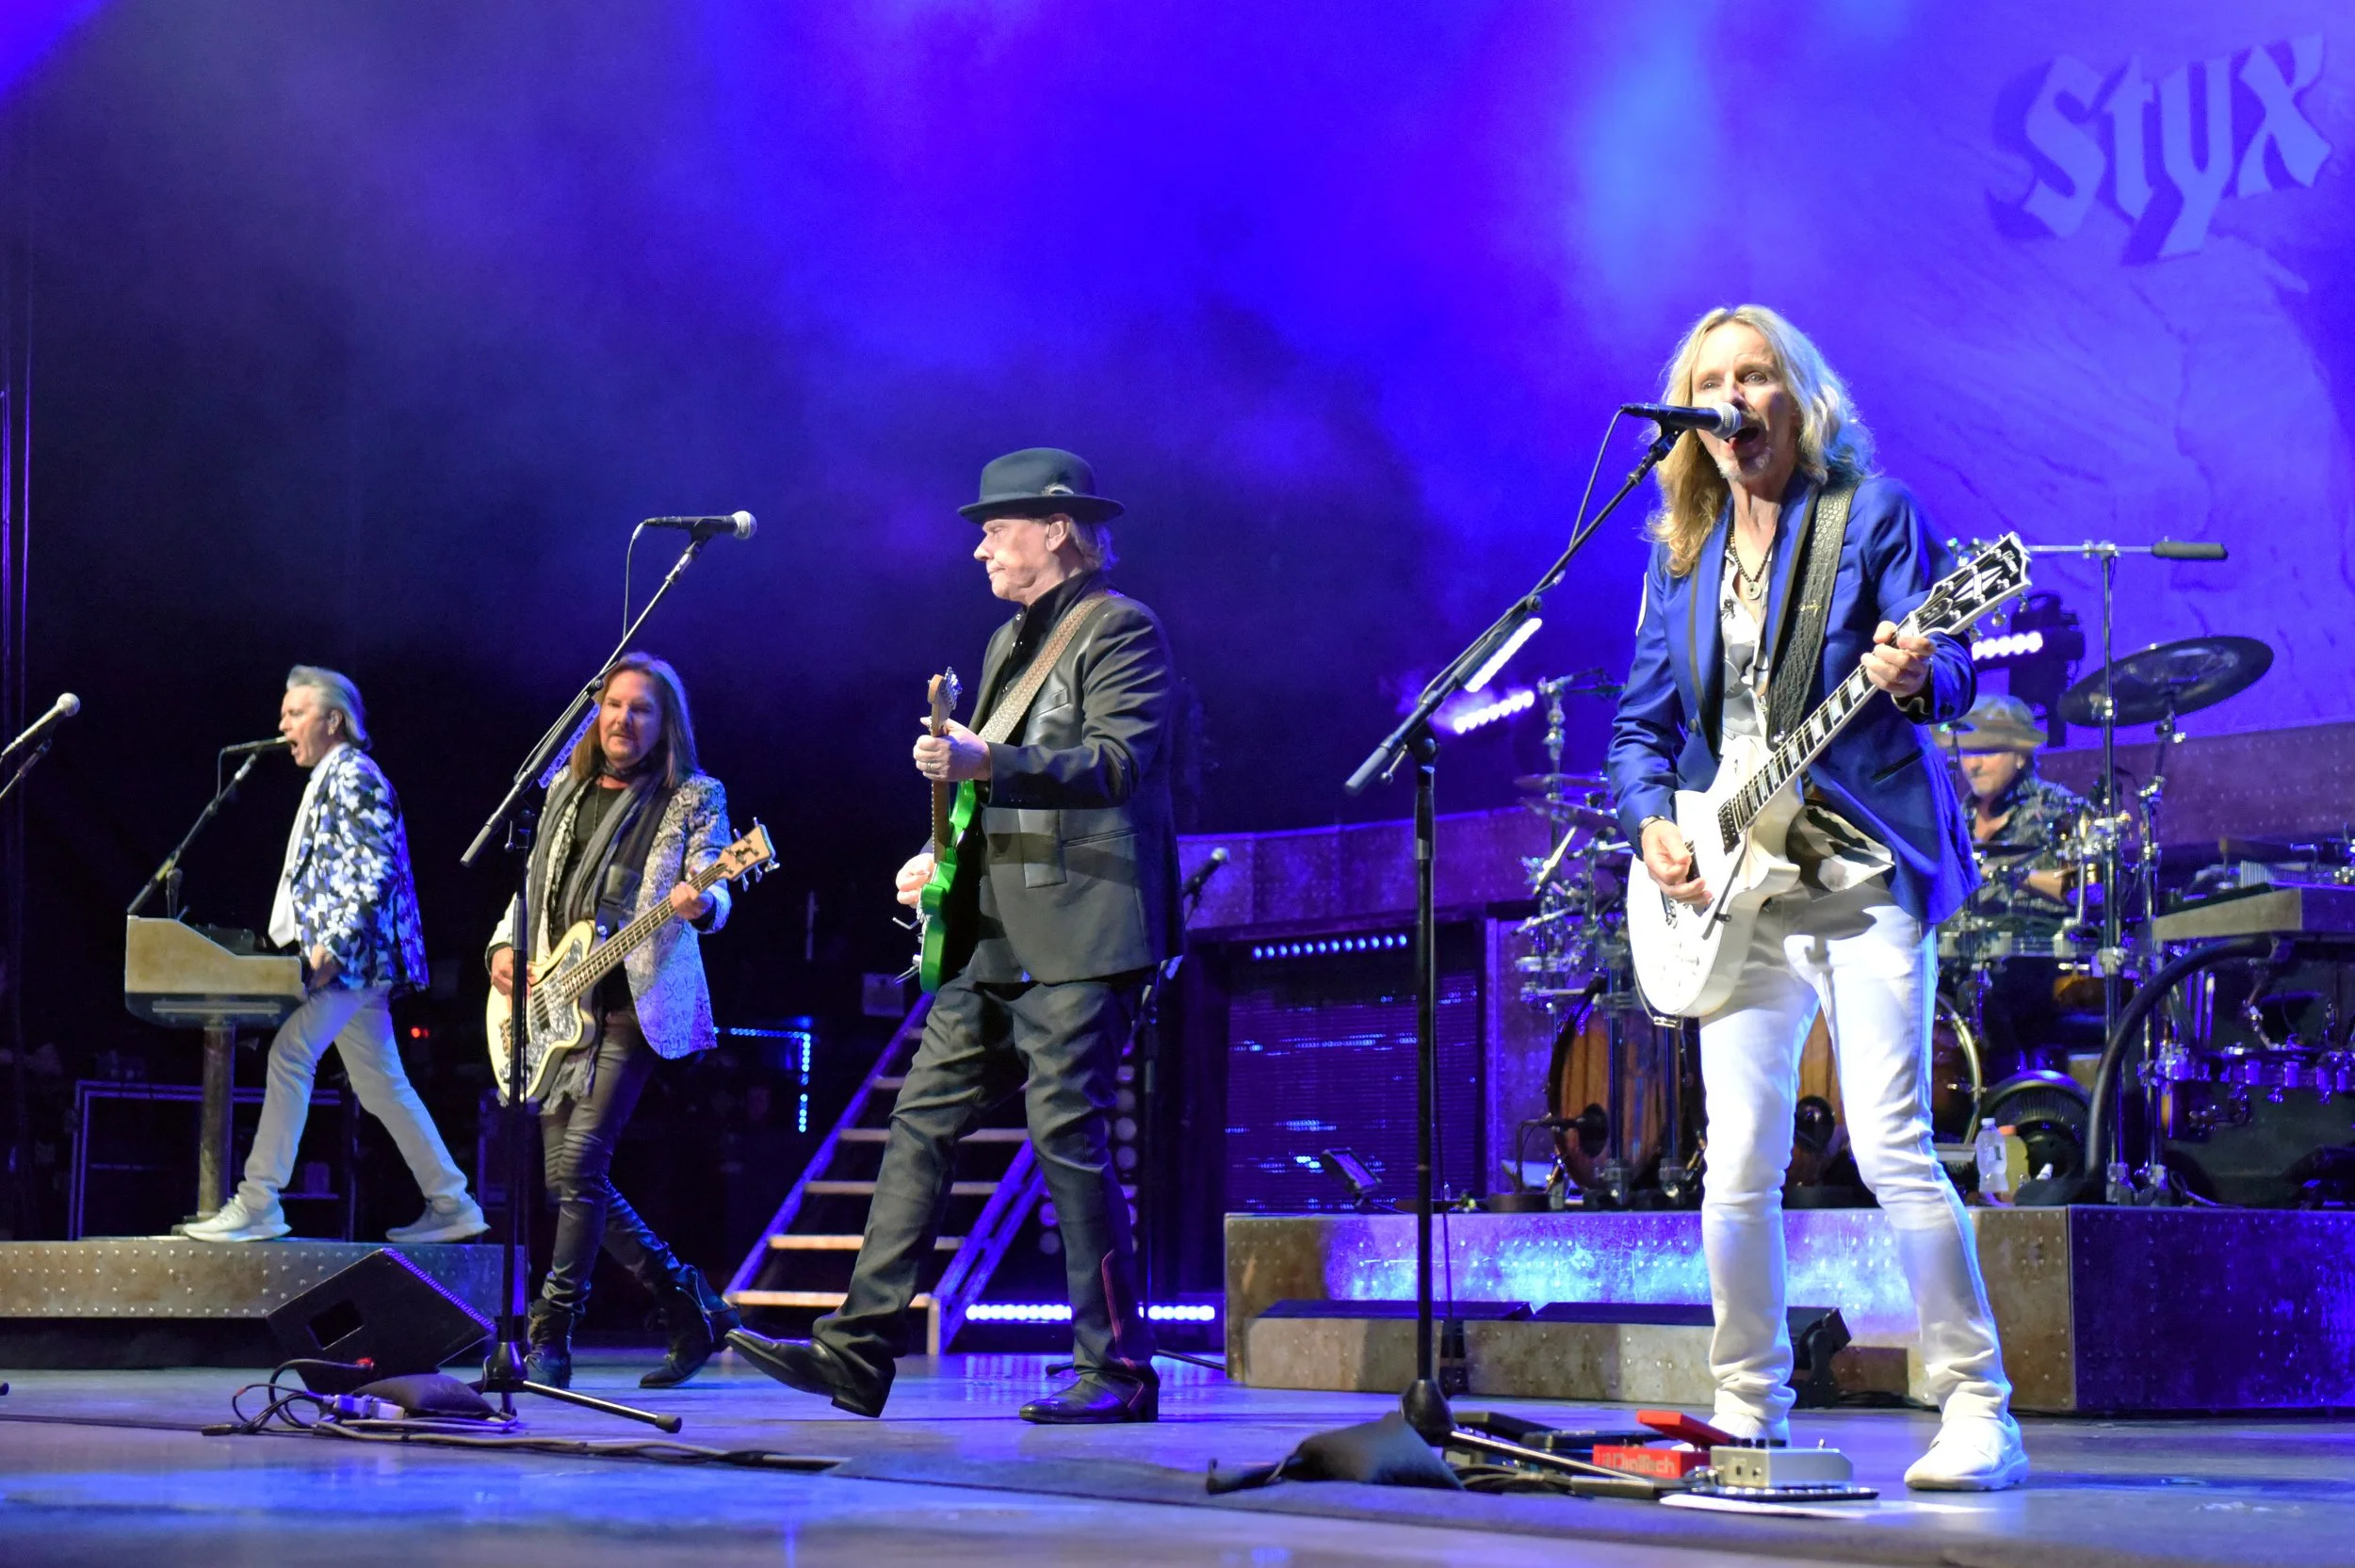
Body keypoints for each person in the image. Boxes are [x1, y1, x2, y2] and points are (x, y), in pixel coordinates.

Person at [1606, 306, 2027, 1491]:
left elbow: (1952, 671)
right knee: (1735, 1163)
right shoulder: (1680, 556)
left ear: (1799, 398)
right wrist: (1652, 825)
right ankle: (1746, 1410)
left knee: (1890, 1143)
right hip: (1732, 881)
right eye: (1713, 381)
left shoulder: (1871, 515)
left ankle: (1978, 1409)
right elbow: (1640, 730)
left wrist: (1915, 673)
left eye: (1756, 376)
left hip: (1857, 867)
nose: (1734, 397)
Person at [731, 446, 1178, 1424]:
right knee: (920, 1119)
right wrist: (939, 859)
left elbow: (1116, 764)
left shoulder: (1121, 628)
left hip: (1084, 929)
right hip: (992, 930)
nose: (980, 548)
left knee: (1066, 1134)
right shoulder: (1004, 642)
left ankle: (1118, 1368)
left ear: (1056, 530)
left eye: (997, 529)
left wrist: (986, 759)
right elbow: (989, 794)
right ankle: (859, 1350)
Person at [487, 653, 741, 1390]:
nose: (623, 719)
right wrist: (504, 947)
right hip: (554, 1000)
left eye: (641, 708)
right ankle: (686, 1300)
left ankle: (552, 1332)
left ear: (666, 724)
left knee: (578, 1166)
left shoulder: (693, 795)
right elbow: (533, 890)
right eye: (615, 705)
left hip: (633, 998)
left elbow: (717, 877)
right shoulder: (563, 791)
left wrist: (706, 901)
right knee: (566, 1180)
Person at [186, 667, 486, 1246]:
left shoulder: (353, 775)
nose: (282, 725)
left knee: (290, 1055)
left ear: (334, 720)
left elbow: (375, 869)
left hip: (356, 959)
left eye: (295, 713)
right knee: (382, 1085)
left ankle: (258, 1201)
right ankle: (453, 1201)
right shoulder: (332, 777)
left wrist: (335, 946)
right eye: (283, 714)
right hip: (358, 961)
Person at [1945, 691, 2092, 1073]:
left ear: (2021, 754)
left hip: (2037, 964)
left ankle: (2006, 1094)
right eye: (1968, 751)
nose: (1974, 764)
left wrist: (2007, 875)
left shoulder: (2059, 808)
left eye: (1988, 751)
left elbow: (2085, 887)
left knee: (1992, 999)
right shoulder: (1955, 818)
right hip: (1962, 959)